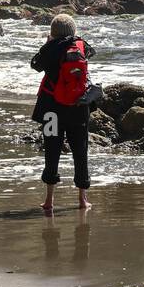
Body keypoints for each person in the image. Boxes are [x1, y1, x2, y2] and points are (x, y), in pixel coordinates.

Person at [31, 13, 96, 212]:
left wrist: (48, 43)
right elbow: (92, 55)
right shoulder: (82, 46)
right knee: (80, 152)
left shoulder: (50, 48)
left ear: (52, 32)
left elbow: (35, 65)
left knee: (52, 150)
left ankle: (49, 200)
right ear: (73, 31)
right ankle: (82, 199)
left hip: (52, 110)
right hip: (78, 109)